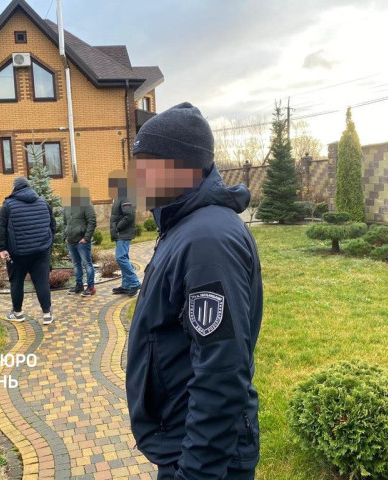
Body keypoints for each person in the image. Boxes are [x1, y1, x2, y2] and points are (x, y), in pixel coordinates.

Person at [126, 102, 263, 480]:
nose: (135, 178)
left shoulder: (207, 240)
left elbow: (221, 373)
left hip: (204, 459)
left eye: (145, 166)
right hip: (183, 441)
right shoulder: (183, 226)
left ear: (181, 167)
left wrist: (196, 471)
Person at [0, 177, 56, 325]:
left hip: (17, 254)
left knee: (16, 282)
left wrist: (2, 248)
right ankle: (47, 314)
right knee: (42, 282)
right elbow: (52, 225)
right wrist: (48, 243)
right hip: (41, 251)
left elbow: (0, 228)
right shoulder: (43, 203)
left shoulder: (8, 205)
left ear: (15, 188)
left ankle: (18, 313)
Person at [108, 171, 141, 297]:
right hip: (120, 233)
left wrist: (117, 227)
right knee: (124, 258)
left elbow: (129, 215)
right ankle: (126, 285)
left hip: (123, 233)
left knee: (120, 258)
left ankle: (134, 283)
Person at [63, 184, 97, 296]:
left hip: (82, 242)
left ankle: (91, 287)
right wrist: (65, 236)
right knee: (76, 264)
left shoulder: (86, 204)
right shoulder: (67, 206)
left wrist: (86, 238)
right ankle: (79, 285)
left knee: (87, 264)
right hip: (70, 241)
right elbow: (65, 223)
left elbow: (92, 222)